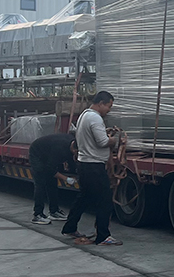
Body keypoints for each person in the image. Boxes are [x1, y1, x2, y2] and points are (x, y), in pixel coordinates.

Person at [62, 91, 125, 246]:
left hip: (84, 164)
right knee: (105, 200)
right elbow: (102, 142)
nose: (109, 110)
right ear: (101, 103)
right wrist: (115, 140)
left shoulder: (84, 115)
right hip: (94, 166)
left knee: (84, 197)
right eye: (109, 106)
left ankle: (70, 227)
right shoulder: (95, 118)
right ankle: (103, 236)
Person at [28, 132, 78, 225]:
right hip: (37, 153)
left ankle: (54, 211)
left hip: (48, 153)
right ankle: (37, 214)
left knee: (52, 184)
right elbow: (49, 169)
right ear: (74, 150)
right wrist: (66, 179)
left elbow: (71, 162)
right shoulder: (59, 149)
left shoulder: (72, 143)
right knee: (41, 184)